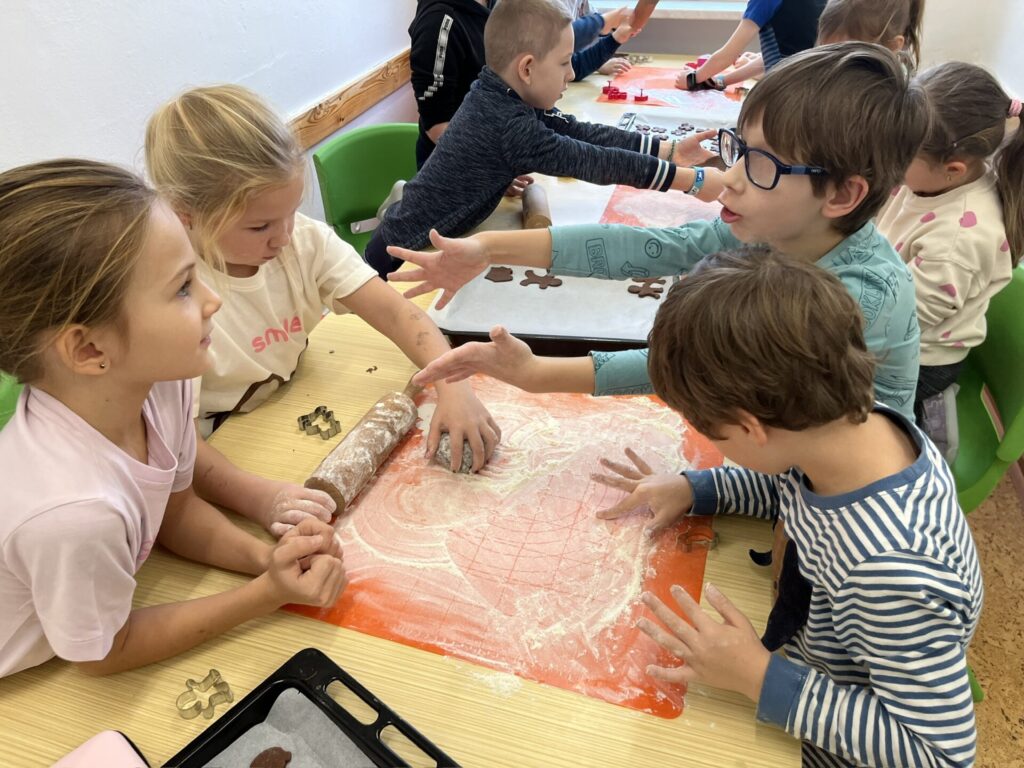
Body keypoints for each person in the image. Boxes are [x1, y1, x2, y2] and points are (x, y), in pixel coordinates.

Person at [391, 43, 929, 421]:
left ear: (842, 195)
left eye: (762, 164)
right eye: (739, 151)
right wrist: (487, 248)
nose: (730, 179)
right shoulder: (781, 228)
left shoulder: (859, 299)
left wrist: (538, 374)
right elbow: (649, 249)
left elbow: (698, 367)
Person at [605, 247, 982, 768]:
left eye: (711, 432)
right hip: (807, 653)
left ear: (751, 428)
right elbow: (791, 488)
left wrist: (760, 677)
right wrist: (697, 489)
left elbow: (939, 753)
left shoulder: (888, 568)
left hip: (830, 747)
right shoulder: (848, 427)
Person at [0, 160, 347, 678]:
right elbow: (103, 654)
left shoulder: (161, 384)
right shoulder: (73, 511)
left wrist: (270, 563)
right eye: (184, 287)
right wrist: (264, 596)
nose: (213, 299)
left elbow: (175, 514)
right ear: (90, 349)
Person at [145, 85, 500, 523]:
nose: (283, 236)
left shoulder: (302, 240)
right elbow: (176, 445)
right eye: (259, 227)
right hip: (219, 448)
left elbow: (396, 313)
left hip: (284, 404)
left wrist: (453, 386)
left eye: (291, 211)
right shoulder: (170, 296)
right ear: (186, 214)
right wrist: (260, 499)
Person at [365, 0, 723, 277]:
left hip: (423, 241)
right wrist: (690, 182)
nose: (572, 73)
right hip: (401, 255)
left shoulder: (503, 94)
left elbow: (579, 131)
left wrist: (668, 149)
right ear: (527, 68)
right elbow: (594, 161)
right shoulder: (508, 124)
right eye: (565, 62)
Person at [877, 61, 1023, 440]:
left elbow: (902, 321)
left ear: (953, 169)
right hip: (892, 304)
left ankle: (920, 425)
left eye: (899, 153)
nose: (887, 157)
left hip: (920, 359)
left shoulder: (957, 241)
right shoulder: (931, 181)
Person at [675, 0, 827, 92]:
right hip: (814, 85)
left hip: (787, 93)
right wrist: (721, 81)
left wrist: (693, 78)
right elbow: (782, 58)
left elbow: (727, 55)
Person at [817, 0, 925, 66]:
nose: (829, 66)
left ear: (894, 46)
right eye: (823, 50)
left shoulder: (892, 92)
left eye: (847, 59)